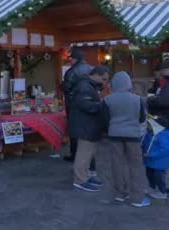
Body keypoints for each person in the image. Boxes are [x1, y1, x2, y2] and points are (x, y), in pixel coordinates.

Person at [102, 71, 149, 207]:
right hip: (133, 136)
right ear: (128, 83)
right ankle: (137, 198)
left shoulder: (107, 99)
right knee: (136, 166)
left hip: (114, 134)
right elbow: (142, 118)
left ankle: (121, 193)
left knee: (117, 164)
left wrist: (110, 129)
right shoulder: (136, 99)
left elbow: (104, 119)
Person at [70, 65, 109, 193]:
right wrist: (102, 105)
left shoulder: (88, 85)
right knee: (84, 154)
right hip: (85, 125)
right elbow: (86, 105)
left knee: (88, 154)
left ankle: (84, 176)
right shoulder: (84, 86)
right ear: (96, 74)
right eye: (103, 79)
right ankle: (80, 180)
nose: (104, 82)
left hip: (88, 125)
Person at [62, 49, 93, 162]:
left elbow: (67, 87)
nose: (70, 61)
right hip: (89, 103)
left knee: (74, 129)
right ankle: (87, 154)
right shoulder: (91, 69)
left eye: (71, 58)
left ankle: (75, 154)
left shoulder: (71, 71)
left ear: (75, 59)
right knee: (87, 128)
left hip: (74, 104)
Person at [141, 122, 169, 200]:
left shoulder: (163, 134)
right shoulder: (149, 133)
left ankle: (162, 192)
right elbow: (144, 143)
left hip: (160, 161)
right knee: (149, 174)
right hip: (150, 160)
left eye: (149, 125)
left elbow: (166, 149)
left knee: (158, 177)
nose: (147, 126)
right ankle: (152, 187)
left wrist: (151, 154)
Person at [147, 59, 169, 129]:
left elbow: (162, 100)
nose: (159, 77)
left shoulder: (165, 83)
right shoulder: (162, 82)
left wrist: (149, 100)